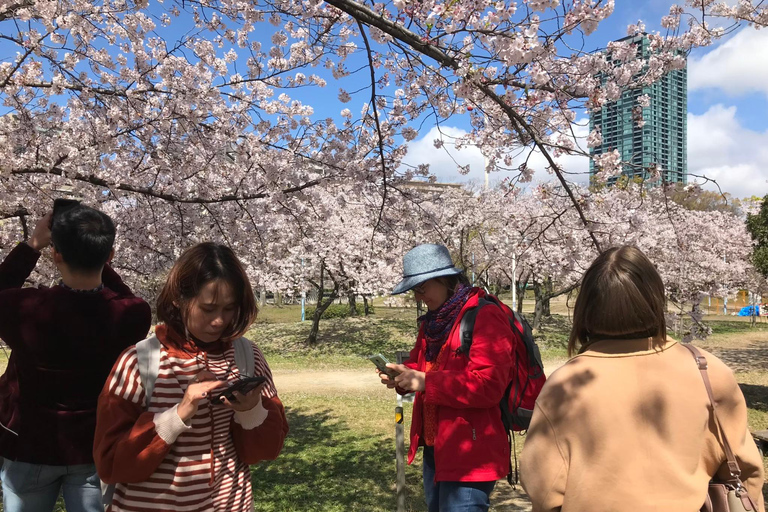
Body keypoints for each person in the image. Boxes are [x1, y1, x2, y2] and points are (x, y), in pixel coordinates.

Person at [520, 245, 765, 512]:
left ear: (587, 307)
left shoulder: (565, 384)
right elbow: (745, 470)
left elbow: (543, 488)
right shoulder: (707, 370)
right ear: (654, 300)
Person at [94, 242, 288, 512]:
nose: (220, 321)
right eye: (208, 309)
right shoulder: (139, 362)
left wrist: (252, 411)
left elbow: (266, 450)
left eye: (229, 308)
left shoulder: (248, 356)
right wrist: (177, 415)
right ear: (178, 298)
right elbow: (110, 462)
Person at [0, 206, 152, 512]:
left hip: (29, 442)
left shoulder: (25, 309)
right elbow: (123, 294)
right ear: (109, 255)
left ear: (55, 254)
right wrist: (94, 254)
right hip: (94, 443)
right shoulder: (132, 314)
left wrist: (31, 246)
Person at [378, 243, 515, 512]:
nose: (418, 297)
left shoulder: (486, 316)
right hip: (436, 448)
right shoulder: (434, 321)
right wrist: (401, 373)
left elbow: (488, 386)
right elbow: (422, 363)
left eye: (421, 288)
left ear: (444, 280)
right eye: (414, 291)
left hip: (471, 452)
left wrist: (426, 382)